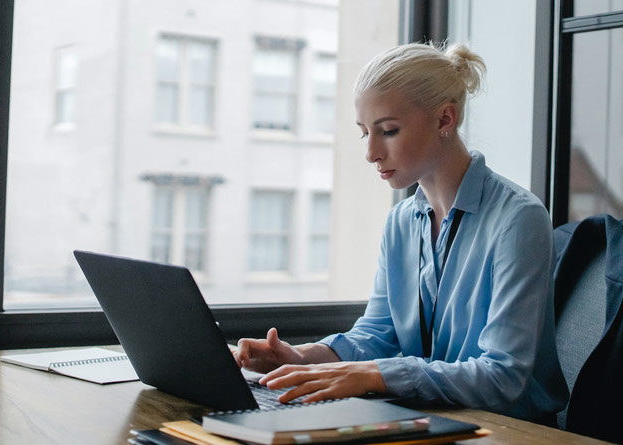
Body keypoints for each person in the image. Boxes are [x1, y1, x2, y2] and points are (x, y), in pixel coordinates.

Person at [234, 42, 568, 423]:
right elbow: (378, 335)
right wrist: (303, 357)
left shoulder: (518, 219)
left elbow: (502, 377)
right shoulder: (401, 222)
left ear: (445, 120)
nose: (372, 153)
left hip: (509, 431)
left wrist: (374, 375)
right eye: (365, 134)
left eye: (388, 131)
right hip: (429, 420)